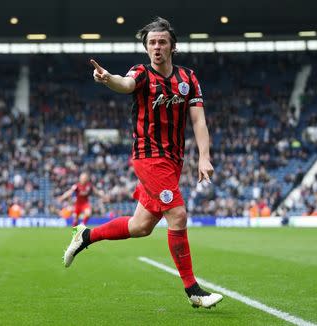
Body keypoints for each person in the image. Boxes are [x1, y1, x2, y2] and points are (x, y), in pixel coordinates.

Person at [63, 17, 222, 309]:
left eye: (162, 42)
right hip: (148, 158)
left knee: (141, 226)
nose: (157, 47)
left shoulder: (188, 78)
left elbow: (198, 120)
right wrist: (108, 78)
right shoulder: (141, 73)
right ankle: (193, 291)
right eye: (151, 43)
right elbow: (125, 84)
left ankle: (86, 235)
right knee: (178, 215)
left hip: (174, 161)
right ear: (146, 48)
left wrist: (204, 156)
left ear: (173, 46)